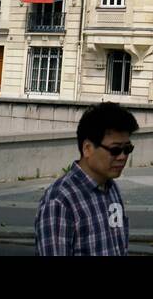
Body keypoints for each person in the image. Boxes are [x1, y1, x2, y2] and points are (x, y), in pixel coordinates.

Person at [35, 102, 139, 255]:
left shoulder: (111, 188)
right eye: (115, 149)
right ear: (88, 149)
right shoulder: (59, 201)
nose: (122, 156)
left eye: (127, 149)